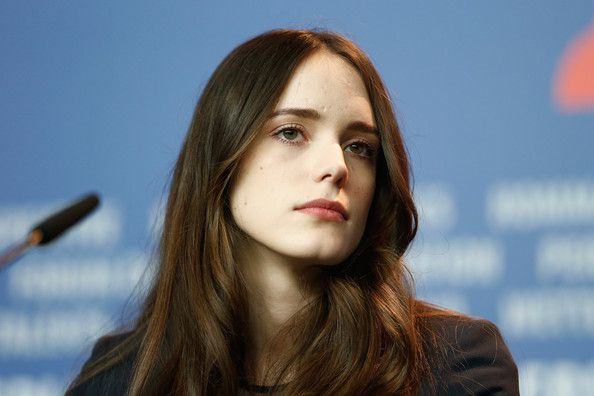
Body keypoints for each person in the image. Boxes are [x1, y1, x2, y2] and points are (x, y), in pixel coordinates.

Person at [67, 29, 519, 395]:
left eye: (360, 147)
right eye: (290, 132)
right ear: (221, 160)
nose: (337, 166)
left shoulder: (457, 366)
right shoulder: (123, 376)